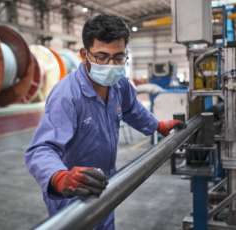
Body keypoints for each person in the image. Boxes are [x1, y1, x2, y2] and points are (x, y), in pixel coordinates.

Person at [25, 14, 184, 230]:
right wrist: (59, 177)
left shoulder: (120, 84)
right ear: (84, 55)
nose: (111, 65)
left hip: (105, 185)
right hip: (72, 191)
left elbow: (132, 109)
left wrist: (157, 125)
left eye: (118, 58)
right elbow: (40, 149)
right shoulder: (67, 95)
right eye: (101, 56)